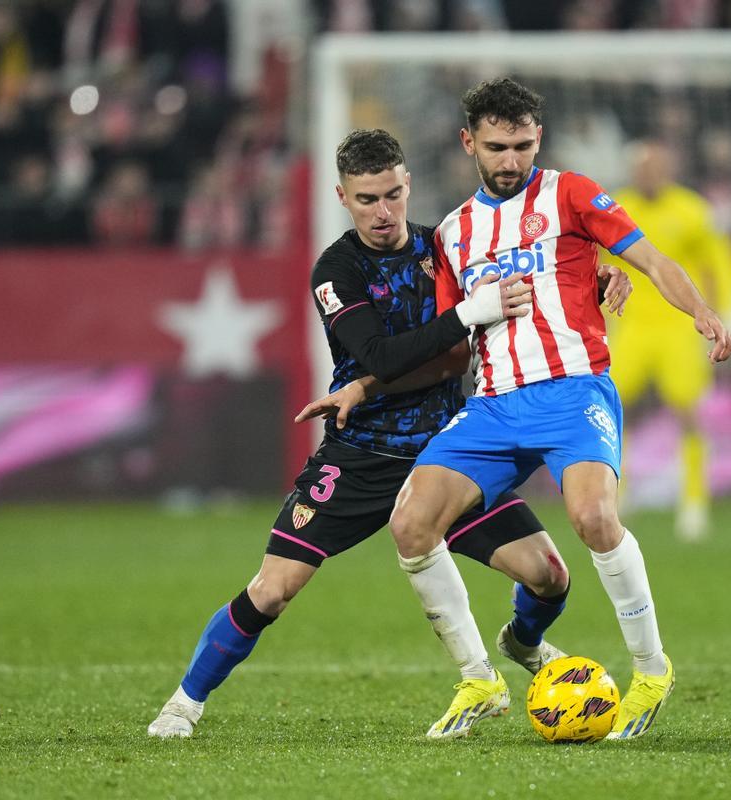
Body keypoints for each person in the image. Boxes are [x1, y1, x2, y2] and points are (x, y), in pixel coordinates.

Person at [147, 128, 631, 739]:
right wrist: (459, 319)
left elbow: (519, 301)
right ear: (344, 198)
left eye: (394, 195)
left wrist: (604, 278)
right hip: (361, 455)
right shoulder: (336, 271)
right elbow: (378, 352)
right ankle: (183, 703)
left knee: (550, 576)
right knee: (273, 590)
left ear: (409, 187)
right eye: (368, 199)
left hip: (447, 453)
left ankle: (524, 646)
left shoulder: (447, 247)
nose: (384, 212)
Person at [386, 78, 731, 741]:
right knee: (410, 524)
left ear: (537, 138)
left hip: (573, 391)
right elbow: (446, 341)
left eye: (522, 145)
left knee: (595, 516)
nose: (511, 160)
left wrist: (703, 313)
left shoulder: (572, 194)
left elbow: (653, 259)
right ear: (469, 144)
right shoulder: (454, 233)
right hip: (491, 404)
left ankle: (651, 668)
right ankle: (479, 679)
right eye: (496, 147)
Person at [603, 139, 731, 540]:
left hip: (679, 327)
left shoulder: (693, 211)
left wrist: (723, 315)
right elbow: (597, 264)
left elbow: (719, 265)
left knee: (687, 412)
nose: (649, 175)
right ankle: (619, 493)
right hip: (629, 325)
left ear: (668, 170)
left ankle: (694, 501)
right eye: (642, 168)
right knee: (612, 407)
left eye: (656, 167)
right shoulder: (615, 208)